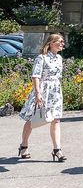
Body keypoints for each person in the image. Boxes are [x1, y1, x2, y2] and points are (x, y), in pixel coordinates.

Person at [18, 34, 66, 162]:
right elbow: (35, 76)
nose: (62, 44)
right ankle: (24, 145)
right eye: (60, 41)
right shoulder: (42, 58)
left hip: (55, 91)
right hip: (42, 90)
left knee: (56, 120)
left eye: (62, 42)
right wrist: (38, 93)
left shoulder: (59, 58)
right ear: (51, 43)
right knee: (32, 119)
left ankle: (57, 149)